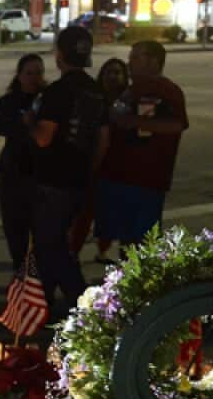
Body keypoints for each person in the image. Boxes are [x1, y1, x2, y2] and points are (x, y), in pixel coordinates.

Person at [28, 26, 109, 316]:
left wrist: (28, 121)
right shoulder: (95, 90)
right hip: (80, 178)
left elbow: (44, 137)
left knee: (52, 245)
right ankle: (42, 301)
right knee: (54, 241)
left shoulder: (58, 91)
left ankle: (84, 303)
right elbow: (103, 140)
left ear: (60, 55)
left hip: (54, 179)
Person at [96, 41, 188, 248]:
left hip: (147, 179)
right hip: (119, 176)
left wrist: (136, 122)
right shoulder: (130, 90)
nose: (130, 63)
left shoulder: (168, 91)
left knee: (143, 243)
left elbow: (176, 125)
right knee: (124, 241)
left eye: (136, 58)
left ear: (154, 61)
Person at [69, 58, 129, 262]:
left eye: (117, 72)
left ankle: (103, 250)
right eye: (109, 72)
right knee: (85, 212)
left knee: (110, 211)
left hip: (118, 164)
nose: (113, 76)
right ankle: (73, 251)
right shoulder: (94, 99)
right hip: (93, 162)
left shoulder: (128, 100)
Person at [0, 54, 45, 272]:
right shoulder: (9, 101)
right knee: (15, 230)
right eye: (29, 73)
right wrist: (22, 123)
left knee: (42, 232)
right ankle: (20, 273)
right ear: (19, 75)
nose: (34, 78)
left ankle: (40, 278)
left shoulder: (49, 99)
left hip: (42, 174)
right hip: (14, 173)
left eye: (38, 73)